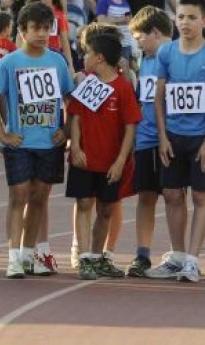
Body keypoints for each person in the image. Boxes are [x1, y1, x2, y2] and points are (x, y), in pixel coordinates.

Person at [146, 0, 205, 282]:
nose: (185, 22)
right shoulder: (166, 53)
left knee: (200, 196)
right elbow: (158, 98)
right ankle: (178, 255)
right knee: (171, 194)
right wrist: (162, 137)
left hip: (200, 137)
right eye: (181, 17)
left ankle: (193, 260)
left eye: (192, 17)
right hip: (172, 135)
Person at [0, 1, 73, 278]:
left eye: (47, 28)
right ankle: (13, 258)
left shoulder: (57, 61)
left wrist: (67, 127)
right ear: (22, 30)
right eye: (36, 28)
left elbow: (69, 98)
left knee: (39, 197)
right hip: (20, 142)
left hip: (49, 142)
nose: (42, 33)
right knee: (18, 196)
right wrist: (1, 132)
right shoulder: (10, 63)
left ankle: (28, 254)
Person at [67, 30, 141, 280]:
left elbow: (131, 126)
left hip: (110, 161)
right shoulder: (87, 81)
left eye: (87, 53)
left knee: (106, 209)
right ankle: (85, 257)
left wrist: (121, 161)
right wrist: (75, 147)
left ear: (99, 57)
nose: (84, 57)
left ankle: (98, 256)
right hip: (85, 158)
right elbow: (75, 116)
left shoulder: (122, 87)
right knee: (84, 203)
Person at [124, 6, 172, 277]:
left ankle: (181, 253)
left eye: (139, 37)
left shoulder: (176, 57)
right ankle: (142, 254)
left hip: (173, 138)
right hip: (146, 138)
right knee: (146, 196)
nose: (137, 42)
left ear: (155, 33)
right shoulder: (145, 61)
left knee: (176, 196)